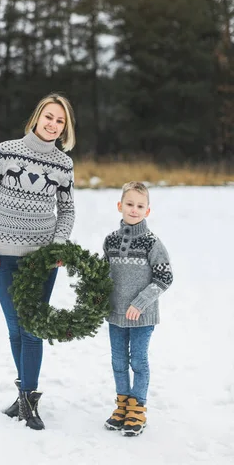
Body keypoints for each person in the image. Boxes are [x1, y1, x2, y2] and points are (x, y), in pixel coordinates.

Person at [0, 93, 76, 430]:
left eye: (60, 121)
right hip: (1, 255)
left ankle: (29, 398)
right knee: (15, 328)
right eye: (49, 117)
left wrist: (58, 245)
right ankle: (22, 396)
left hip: (40, 261)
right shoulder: (6, 151)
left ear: (65, 128)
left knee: (32, 329)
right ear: (37, 118)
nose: (53, 124)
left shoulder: (63, 165)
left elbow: (67, 209)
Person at [102, 181, 173, 436]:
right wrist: (97, 299)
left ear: (147, 211)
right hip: (115, 315)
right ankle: (122, 404)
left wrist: (140, 303)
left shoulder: (152, 243)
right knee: (118, 361)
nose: (134, 209)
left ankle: (138, 407)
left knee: (138, 361)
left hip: (142, 316)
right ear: (120, 206)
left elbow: (164, 278)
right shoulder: (110, 240)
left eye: (140, 206)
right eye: (129, 204)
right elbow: (102, 275)